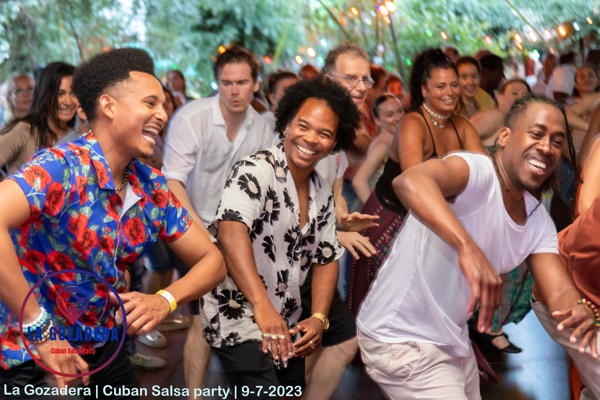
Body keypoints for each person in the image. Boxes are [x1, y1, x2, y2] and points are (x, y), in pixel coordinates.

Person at [0, 47, 226, 398]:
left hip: (102, 345)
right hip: (32, 353)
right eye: (150, 103)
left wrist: (165, 300)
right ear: (108, 106)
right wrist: (38, 327)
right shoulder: (62, 167)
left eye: (163, 105)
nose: (163, 114)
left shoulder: (152, 188)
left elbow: (213, 262)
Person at [357, 94, 597, 399]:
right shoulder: (477, 172)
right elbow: (409, 181)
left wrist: (579, 307)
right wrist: (467, 247)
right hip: (401, 338)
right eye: (536, 133)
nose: (547, 147)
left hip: (452, 339)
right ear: (504, 137)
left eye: (557, 141)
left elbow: (559, 290)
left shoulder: (537, 222)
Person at [201, 75, 359, 399]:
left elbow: (326, 258)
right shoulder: (255, 170)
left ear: (334, 143)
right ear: (286, 123)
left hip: (286, 319)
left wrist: (319, 317)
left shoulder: (322, 191)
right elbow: (231, 233)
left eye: (324, 133)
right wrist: (261, 306)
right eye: (303, 125)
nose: (311, 138)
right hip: (239, 316)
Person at [162, 46, 274, 397]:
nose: (234, 91)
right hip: (187, 223)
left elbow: (263, 187)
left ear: (256, 84)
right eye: (227, 83)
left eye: (242, 83)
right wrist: (201, 234)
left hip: (235, 229)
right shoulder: (191, 118)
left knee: (221, 315)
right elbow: (172, 181)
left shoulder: (261, 128)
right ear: (217, 84)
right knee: (203, 315)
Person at [346, 48, 486, 315]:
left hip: (436, 220)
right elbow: (415, 189)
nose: (450, 92)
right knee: (390, 307)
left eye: (454, 85)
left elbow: (485, 174)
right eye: (441, 86)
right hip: (392, 219)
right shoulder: (412, 124)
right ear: (424, 89)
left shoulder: (462, 125)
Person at [322, 43, 375, 213]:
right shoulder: (313, 123)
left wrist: (346, 222)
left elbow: (336, 195)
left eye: (365, 79)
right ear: (329, 82)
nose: (361, 87)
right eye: (350, 78)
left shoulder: (341, 123)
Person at [0, 62, 77, 176]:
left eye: (73, 93)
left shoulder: (79, 134)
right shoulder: (25, 131)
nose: (68, 102)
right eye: (60, 94)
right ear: (45, 95)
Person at [352, 94, 404, 203]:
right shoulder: (382, 146)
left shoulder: (395, 140)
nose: (398, 117)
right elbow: (358, 181)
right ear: (377, 121)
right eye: (390, 115)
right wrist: (376, 210)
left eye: (400, 111)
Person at [471, 79, 531, 149]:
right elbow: (463, 135)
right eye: (514, 93)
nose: (520, 98)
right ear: (500, 98)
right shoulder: (496, 116)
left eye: (525, 96)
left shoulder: (519, 129)